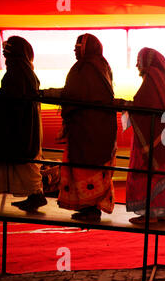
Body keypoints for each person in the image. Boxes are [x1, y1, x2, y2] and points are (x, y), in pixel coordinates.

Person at [42, 33, 117, 222]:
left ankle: (91, 210)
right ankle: (90, 207)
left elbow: (73, 94)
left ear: (87, 49)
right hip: (98, 129)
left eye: (78, 46)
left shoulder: (86, 67)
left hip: (87, 131)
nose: (74, 50)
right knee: (93, 168)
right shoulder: (101, 65)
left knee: (86, 168)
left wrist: (47, 93)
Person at [119, 47, 165, 225]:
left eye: (139, 60)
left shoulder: (152, 78)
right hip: (163, 136)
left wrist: (126, 105)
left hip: (150, 135)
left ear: (147, 61)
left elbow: (144, 104)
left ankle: (151, 214)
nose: (137, 65)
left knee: (148, 174)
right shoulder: (163, 78)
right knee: (161, 173)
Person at [0, 36, 46, 211]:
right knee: (25, 163)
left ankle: (36, 196)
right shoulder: (24, 69)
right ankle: (35, 196)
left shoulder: (17, 71)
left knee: (24, 163)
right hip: (23, 125)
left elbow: (13, 97)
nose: (5, 52)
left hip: (18, 126)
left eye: (8, 49)